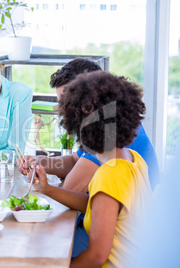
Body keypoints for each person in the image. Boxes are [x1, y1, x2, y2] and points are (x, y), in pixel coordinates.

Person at [30, 71, 152, 267]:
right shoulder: (132, 160)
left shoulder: (109, 173)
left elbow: (96, 256)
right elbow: (99, 205)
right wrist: (48, 189)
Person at [18, 58, 160, 191]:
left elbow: (70, 188)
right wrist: (39, 162)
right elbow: (75, 160)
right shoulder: (110, 118)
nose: (62, 108)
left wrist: (46, 186)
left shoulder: (110, 132)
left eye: (67, 100)